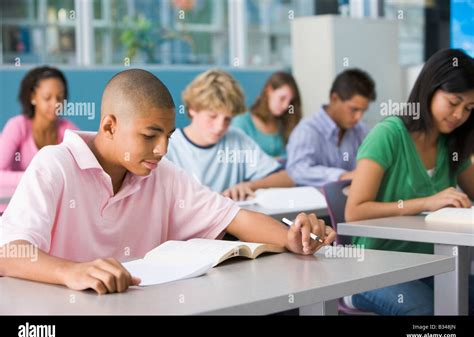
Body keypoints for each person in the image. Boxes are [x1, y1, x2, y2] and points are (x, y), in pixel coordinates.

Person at [0, 69, 336, 294]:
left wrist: (293, 238)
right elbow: (8, 253)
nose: (162, 149)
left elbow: (238, 218)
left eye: (168, 136)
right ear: (109, 127)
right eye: (150, 135)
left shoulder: (162, 176)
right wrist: (70, 272)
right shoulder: (55, 164)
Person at [345, 48, 474, 315]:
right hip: (371, 267)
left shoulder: (451, 143)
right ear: (430, 89)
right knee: (426, 312)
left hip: (430, 264)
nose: (459, 115)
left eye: (469, 108)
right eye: (454, 102)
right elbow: (355, 211)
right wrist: (427, 202)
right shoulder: (388, 135)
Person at [166, 69, 294, 201]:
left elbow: (287, 178)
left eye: (227, 119)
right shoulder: (169, 146)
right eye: (212, 116)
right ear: (193, 109)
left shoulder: (237, 139)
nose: (220, 126)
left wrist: (250, 186)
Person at [0, 66, 78, 210]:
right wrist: (37, 177)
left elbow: (80, 172)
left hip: (50, 209)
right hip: (12, 208)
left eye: (60, 97)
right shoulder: (17, 126)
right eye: (47, 98)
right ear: (33, 98)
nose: (55, 104)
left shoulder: (68, 130)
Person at [286, 69, 376, 188]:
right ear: (334, 99)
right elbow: (296, 171)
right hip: (314, 203)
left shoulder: (361, 131)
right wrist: (341, 176)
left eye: (363, 111)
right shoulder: (307, 130)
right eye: (354, 109)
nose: (359, 117)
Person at [232, 71, 302, 159]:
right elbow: (237, 160)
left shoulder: (285, 123)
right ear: (269, 91)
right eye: (282, 98)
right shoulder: (242, 122)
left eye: (290, 102)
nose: (286, 106)